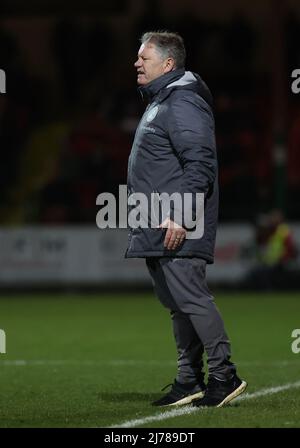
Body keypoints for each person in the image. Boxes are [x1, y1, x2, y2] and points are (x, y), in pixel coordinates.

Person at [125, 31, 247, 407]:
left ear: (168, 64)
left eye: (144, 58)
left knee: (192, 299)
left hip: (178, 222)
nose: (136, 63)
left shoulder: (182, 102)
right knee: (178, 303)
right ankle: (189, 378)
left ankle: (224, 376)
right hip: (156, 222)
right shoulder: (163, 100)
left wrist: (180, 215)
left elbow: (201, 164)